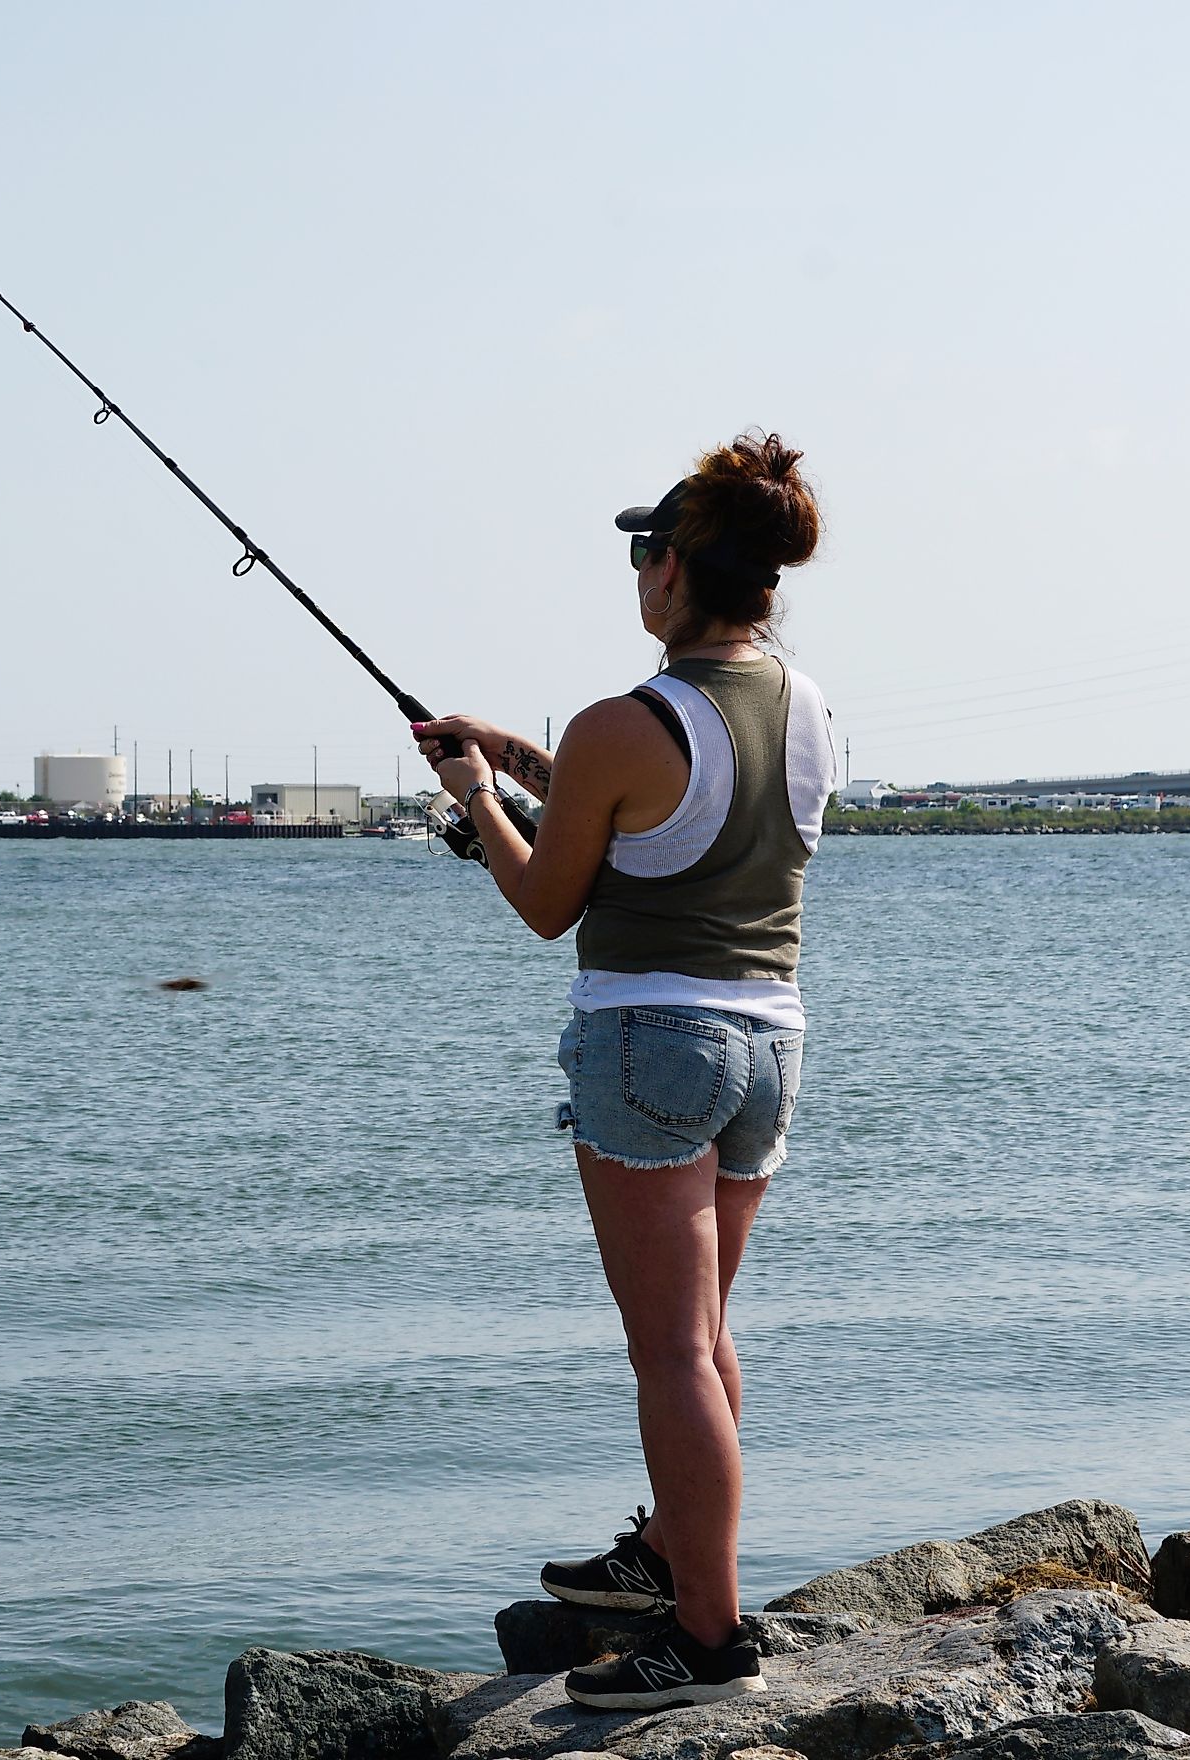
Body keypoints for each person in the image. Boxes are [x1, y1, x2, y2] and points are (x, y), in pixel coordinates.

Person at [415, 431, 834, 1712]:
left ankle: (705, 1638)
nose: (637, 571)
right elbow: (661, 821)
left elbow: (551, 896)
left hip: (650, 1048)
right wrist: (515, 756)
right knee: (703, 1338)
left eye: (644, 550)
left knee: (668, 1352)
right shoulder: (808, 706)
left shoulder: (616, 720)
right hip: (770, 1041)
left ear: (672, 575)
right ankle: (666, 1548)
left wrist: (480, 792)